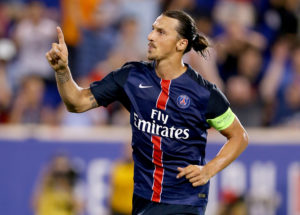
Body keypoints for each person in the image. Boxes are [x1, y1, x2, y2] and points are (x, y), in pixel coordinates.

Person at [46, 10, 248, 215]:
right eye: (152, 30)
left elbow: (239, 136)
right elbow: (77, 103)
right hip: (144, 198)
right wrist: (62, 71)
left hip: (184, 200)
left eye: (161, 32)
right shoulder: (131, 77)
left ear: (181, 44)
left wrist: (208, 170)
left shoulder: (203, 93)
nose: (150, 36)